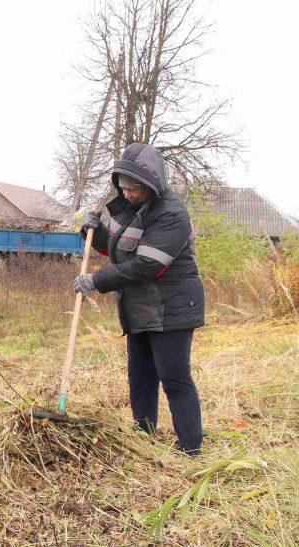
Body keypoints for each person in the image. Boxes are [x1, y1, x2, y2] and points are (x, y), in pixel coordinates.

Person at [74, 143, 204, 454]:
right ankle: (144, 441)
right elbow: (119, 251)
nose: (128, 193)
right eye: (124, 186)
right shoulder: (133, 209)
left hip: (171, 309)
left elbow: (147, 265)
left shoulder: (172, 214)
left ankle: (191, 449)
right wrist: (95, 231)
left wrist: (96, 280)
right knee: (141, 378)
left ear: (151, 184)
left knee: (174, 378)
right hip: (141, 309)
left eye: (134, 188)